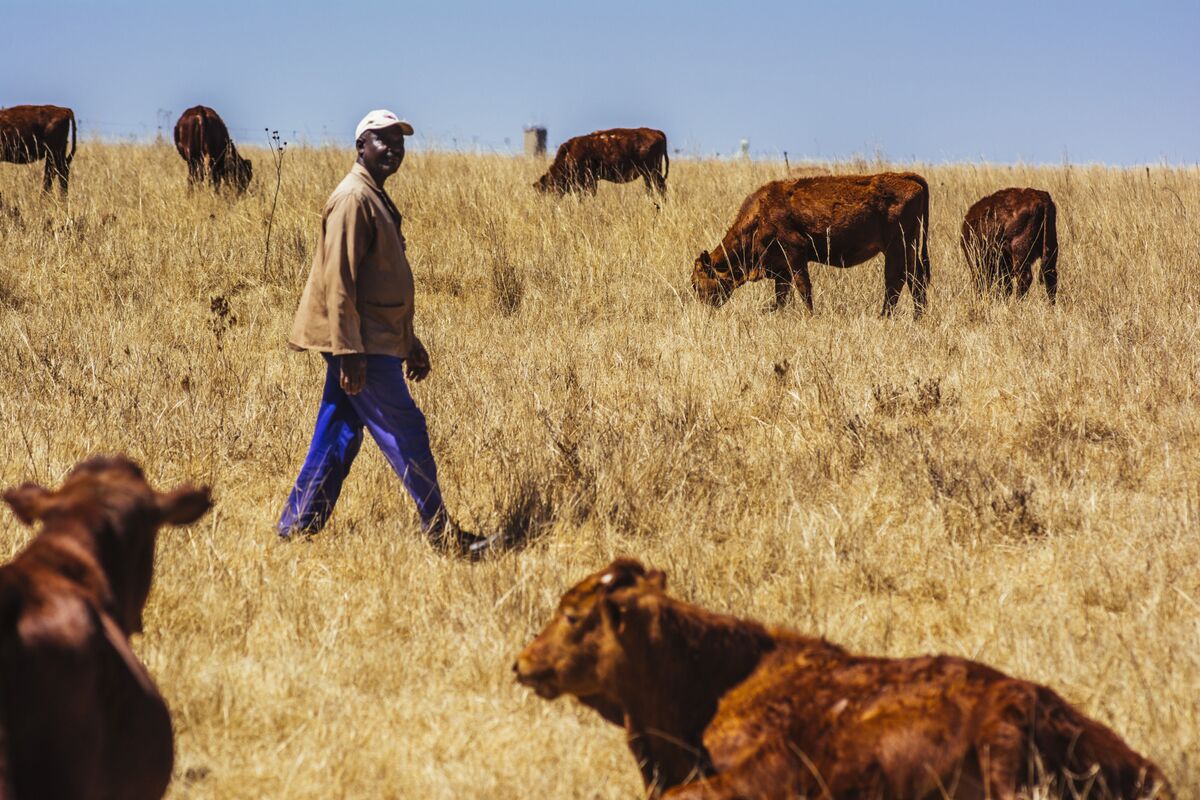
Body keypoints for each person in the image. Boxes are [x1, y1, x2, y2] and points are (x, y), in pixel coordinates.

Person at [278, 110, 490, 558]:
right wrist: (349, 351)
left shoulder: (371, 195)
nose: (393, 148)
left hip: (372, 339)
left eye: (399, 141)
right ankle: (443, 534)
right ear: (361, 146)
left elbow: (378, 281)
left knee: (337, 431)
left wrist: (408, 342)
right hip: (362, 344)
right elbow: (339, 282)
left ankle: (295, 530)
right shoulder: (354, 198)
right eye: (383, 140)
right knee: (406, 430)